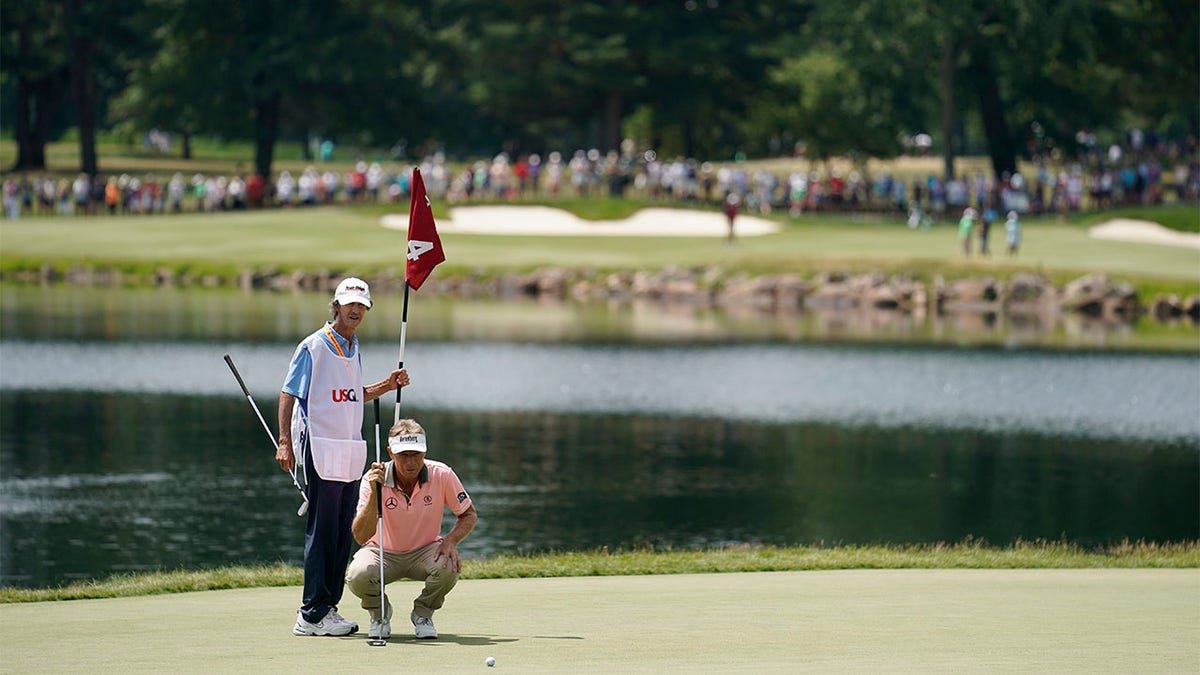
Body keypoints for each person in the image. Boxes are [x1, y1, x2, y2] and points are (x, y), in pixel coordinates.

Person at [279, 277, 410, 637]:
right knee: (321, 532)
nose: (355, 311)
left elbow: (352, 395)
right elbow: (289, 393)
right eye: (349, 304)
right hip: (319, 445)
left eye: (361, 306)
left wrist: (387, 385)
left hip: (348, 449)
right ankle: (310, 612)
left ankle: (328, 609)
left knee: (341, 532)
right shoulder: (314, 346)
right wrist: (284, 443)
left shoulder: (354, 347)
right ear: (336, 305)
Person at [346, 419, 478, 641]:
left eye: (416, 454)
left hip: (424, 550)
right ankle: (380, 615)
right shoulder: (373, 478)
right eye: (403, 455)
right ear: (390, 452)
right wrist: (376, 494)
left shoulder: (442, 474)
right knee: (358, 574)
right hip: (381, 552)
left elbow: (468, 514)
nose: (410, 462)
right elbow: (360, 535)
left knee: (448, 565)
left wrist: (450, 541)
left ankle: (423, 614)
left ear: (424, 452)